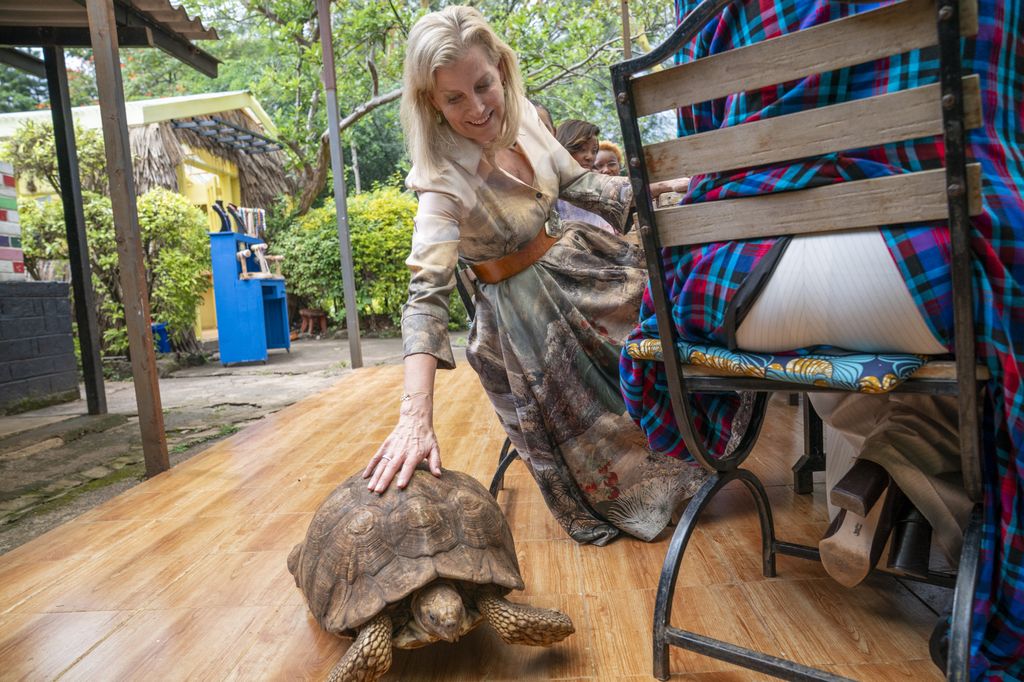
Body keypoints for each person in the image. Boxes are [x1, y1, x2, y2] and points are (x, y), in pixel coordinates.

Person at [618, 0, 1022, 675]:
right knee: (977, 304)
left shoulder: (713, 11)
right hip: (929, 269)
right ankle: (938, 515)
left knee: (855, 364)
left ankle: (890, 471)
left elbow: (703, 139)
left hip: (736, 289)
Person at [363, 5, 706, 546]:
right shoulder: (439, 177)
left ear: (500, 66)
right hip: (519, 322)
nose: (477, 109)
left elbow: (581, 186)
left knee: (689, 293)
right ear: (432, 100)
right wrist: (415, 416)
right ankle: (641, 492)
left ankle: (697, 457)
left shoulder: (525, 114)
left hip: (578, 269)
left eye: (483, 86)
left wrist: (650, 190)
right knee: (597, 444)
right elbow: (425, 298)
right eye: (454, 98)